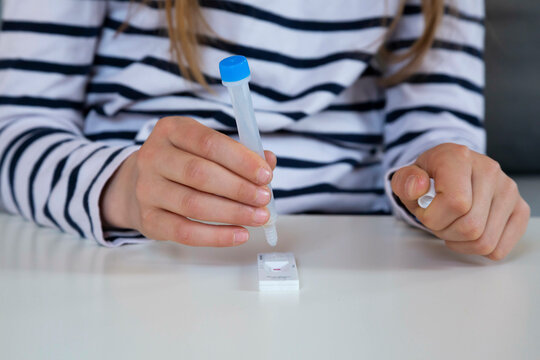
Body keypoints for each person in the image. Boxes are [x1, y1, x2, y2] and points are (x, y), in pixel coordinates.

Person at [0, 0, 530, 260]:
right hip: (138, 261)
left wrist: (444, 182)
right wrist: (122, 190)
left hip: (362, 262)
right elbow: (15, 131)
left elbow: (433, 130)